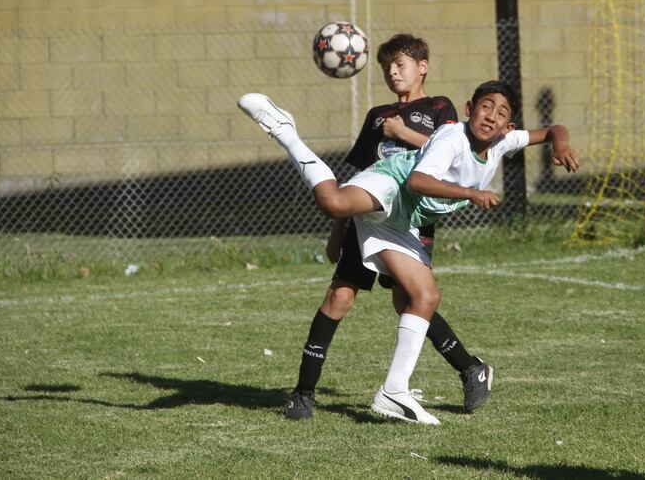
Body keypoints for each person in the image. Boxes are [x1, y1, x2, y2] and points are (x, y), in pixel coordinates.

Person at [237, 80, 579, 424]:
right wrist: (470, 194)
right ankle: (285, 131)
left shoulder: (504, 141)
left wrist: (560, 144)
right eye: (486, 106)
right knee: (333, 202)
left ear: (509, 127)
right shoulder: (451, 139)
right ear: (468, 109)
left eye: (501, 112)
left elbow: (553, 129)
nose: (491, 116)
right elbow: (416, 182)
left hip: (403, 222)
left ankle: (394, 392)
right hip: (390, 183)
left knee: (425, 296)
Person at [282, 34, 494, 421]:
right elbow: (360, 174)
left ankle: (470, 368)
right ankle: (303, 393)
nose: (393, 71)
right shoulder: (377, 116)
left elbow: (452, 153)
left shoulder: (439, 107)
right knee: (339, 298)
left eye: (400, 63)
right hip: (369, 214)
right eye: (386, 67)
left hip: (411, 220)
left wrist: (404, 134)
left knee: (409, 300)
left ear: (423, 66)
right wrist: (337, 230)